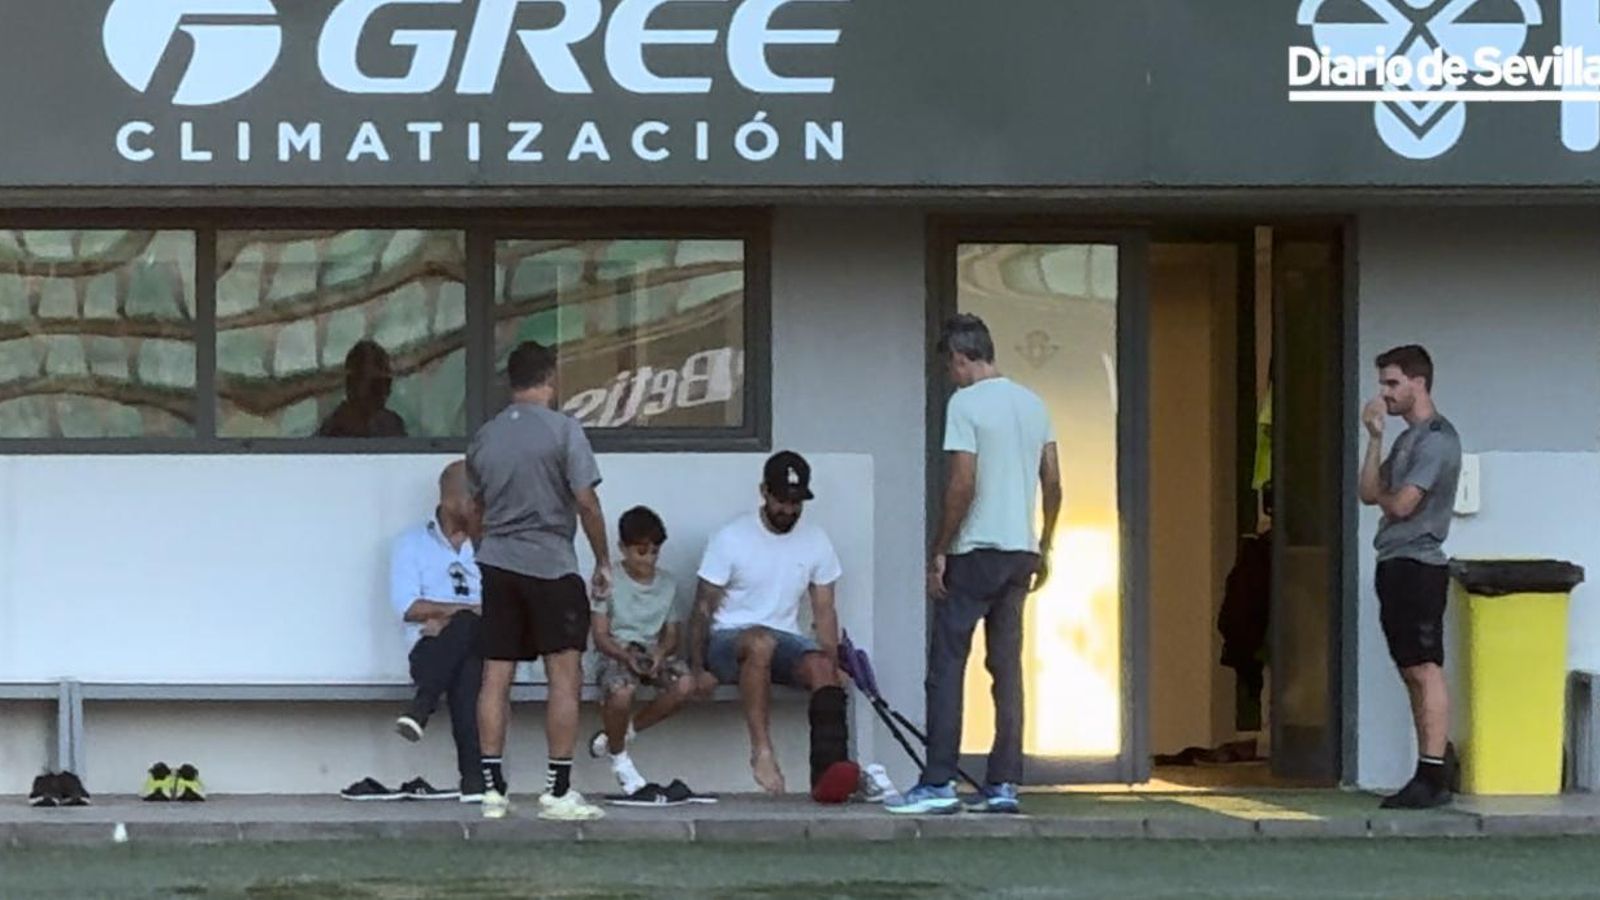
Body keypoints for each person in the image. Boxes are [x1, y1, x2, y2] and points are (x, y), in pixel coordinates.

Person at [891, 314, 1060, 816]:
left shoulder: (964, 404)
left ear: (960, 358)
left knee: (947, 666)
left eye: (951, 365)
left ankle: (939, 780)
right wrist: (1044, 544)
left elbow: (961, 482)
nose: (951, 374)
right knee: (1006, 670)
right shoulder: (1034, 404)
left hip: (975, 550)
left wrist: (940, 547)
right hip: (1020, 552)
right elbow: (1052, 481)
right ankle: (1004, 781)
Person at [467, 340, 611, 822]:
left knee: (496, 674)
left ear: (512, 382)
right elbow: (586, 501)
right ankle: (558, 789)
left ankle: (491, 790)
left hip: (498, 563)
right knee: (564, 675)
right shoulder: (564, 431)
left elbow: (474, 509)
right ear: (550, 377)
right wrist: (603, 560)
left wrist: (483, 550)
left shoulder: (485, 437)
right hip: (551, 564)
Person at [689, 451, 850, 796]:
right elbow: (702, 608)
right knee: (760, 642)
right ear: (764, 491)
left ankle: (829, 773)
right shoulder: (730, 537)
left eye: (797, 502)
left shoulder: (816, 540)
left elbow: (825, 611)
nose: (789, 510)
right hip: (728, 642)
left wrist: (832, 665)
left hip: (784, 641)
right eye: (782, 500)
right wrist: (697, 667)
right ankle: (762, 752)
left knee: (821, 667)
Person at [1359, 344, 1462, 810]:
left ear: (1419, 383)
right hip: (1394, 562)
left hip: (1420, 565)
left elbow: (1403, 504)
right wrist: (1374, 437)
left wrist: (1389, 495)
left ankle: (1434, 772)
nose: (1385, 393)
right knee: (1409, 670)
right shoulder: (1403, 439)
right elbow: (1368, 492)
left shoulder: (1437, 439)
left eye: (1393, 383)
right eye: (1383, 384)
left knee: (1425, 667)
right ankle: (1430, 766)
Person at [390, 460, 485, 801]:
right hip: (428, 651)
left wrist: (448, 616)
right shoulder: (410, 543)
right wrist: (462, 613)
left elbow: (500, 606)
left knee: (469, 635)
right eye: (473, 498)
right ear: (448, 501)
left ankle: (422, 706)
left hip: (484, 646)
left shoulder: (492, 544)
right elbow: (409, 608)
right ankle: (476, 781)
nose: (479, 505)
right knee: (466, 653)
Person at [586, 505, 698, 794]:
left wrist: (660, 654)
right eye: (641, 551)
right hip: (617, 651)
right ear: (623, 548)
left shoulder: (667, 583)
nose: (648, 559)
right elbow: (600, 635)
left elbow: (673, 633)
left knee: (684, 684)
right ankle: (620, 759)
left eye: (654, 552)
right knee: (621, 692)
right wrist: (626, 656)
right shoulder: (607, 580)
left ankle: (622, 733)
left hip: (652, 651)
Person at [318, 339, 407, 437]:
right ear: (352, 383)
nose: (384, 392)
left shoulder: (392, 425)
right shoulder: (330, 433)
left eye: (387, 383)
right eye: (375, 385)